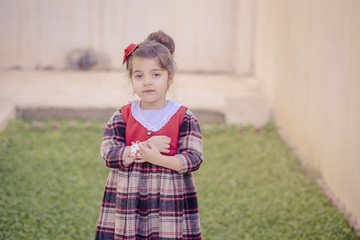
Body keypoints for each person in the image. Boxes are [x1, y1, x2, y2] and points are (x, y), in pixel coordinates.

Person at [95, 31, 203, 240]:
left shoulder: (183, 116)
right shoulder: (124, 115)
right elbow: (109, 153)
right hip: (129, 199)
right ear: (131, 79)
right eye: (139, 75)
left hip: (168, 201)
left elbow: (194, 158)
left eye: (156, 74)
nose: (147, 82)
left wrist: (159, 159)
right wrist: (142, 147)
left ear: (169, 79)